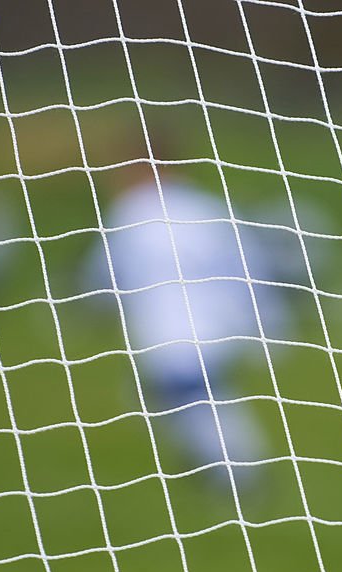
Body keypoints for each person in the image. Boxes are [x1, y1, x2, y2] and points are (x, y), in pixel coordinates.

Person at [87, 154, 292, 481]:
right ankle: (223, 466)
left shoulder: (131, 211)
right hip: (218, 324)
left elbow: (104, 272)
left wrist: (90, 307)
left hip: (166, 329)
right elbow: (249, 263)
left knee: (188, 395)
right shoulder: (207, 207)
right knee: (175, 396)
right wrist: (266, 318)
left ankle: (241, 470)